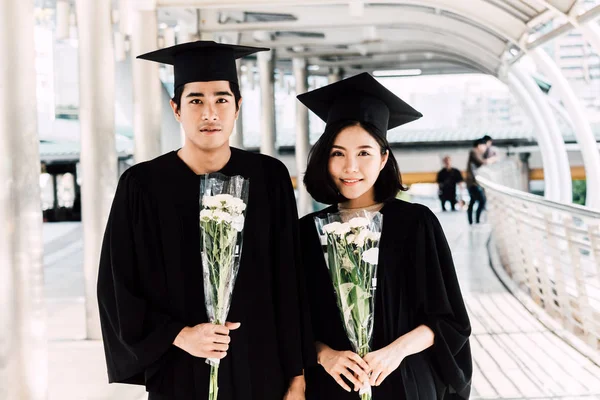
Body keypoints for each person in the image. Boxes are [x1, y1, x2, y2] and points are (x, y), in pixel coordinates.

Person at [97, 41, 314, 400]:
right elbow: (117, 284)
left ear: (238, 107)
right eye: (196, 100)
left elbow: (289, 281)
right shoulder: (142, 185)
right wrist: (179, 335)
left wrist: (297, 376)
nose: (209, 113)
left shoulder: (268, 178)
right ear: (176, 109)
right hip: (180, 369)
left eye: (221, 99)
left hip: (261, 369)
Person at [296, 73, 472, 399]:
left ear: (383, 158)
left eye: (364, 153)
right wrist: (325, 355)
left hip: (404, 381)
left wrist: (395, 352)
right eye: (338, 153)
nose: (351, 167)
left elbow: (449, 321)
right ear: (325, 159)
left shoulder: (416, 224)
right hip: (332, 385)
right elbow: (293, 320)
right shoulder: (307, 232)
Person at [466, 138, 495, 225]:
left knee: (473, 201)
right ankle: (477, 220)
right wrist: (491, 160)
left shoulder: (475, 153)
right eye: (484, 146)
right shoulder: (474, 152)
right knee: (482, 200)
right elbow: (481, 162)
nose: (485, 148)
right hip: (473, 182)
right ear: (479, 145)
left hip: (472, 182)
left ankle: (472, 221)